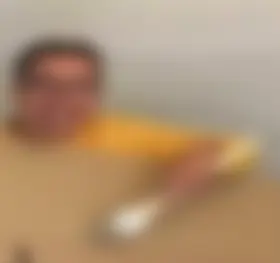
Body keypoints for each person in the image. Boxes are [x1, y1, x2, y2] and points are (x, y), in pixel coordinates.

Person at [6, 36, 257, 201]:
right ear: (18, 90)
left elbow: (244, 148)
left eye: (79, 88)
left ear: (97, 95)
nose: (62, 99)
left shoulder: (121, 136)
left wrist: (209, 158)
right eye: (45, 85)